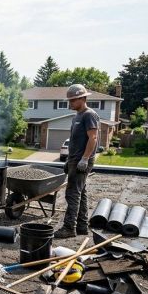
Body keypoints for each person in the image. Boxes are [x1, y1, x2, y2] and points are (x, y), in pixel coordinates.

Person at [55, 84, 100, 239]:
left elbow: (93, 138)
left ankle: (69, 228)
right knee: (81, 192)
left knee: (72, 193)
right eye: (70, 100)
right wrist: (69, 160)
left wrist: (85, 159)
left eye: (73, 100)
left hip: (82, 160)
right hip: (74, 159)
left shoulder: (89, 115)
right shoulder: (76, 117)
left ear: (83, 98)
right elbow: (75, 141)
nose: (71, 103)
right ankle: (81, 226)